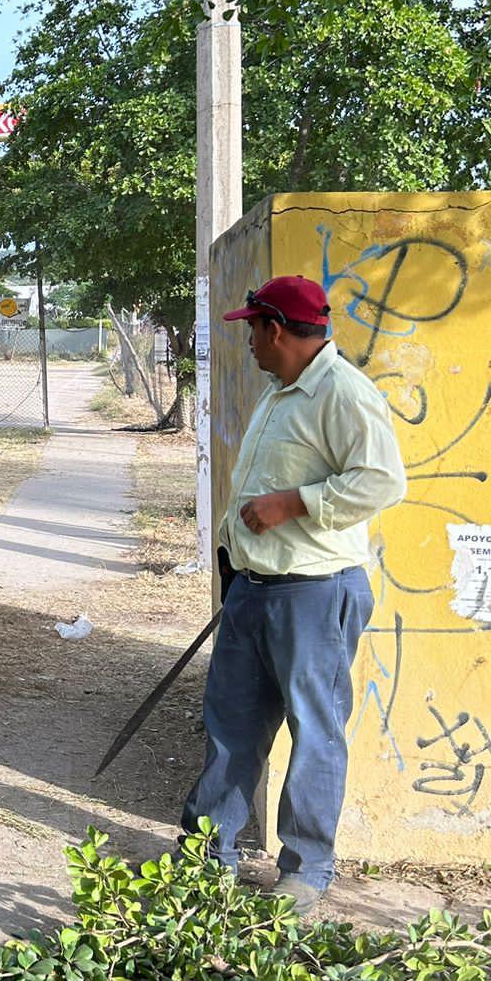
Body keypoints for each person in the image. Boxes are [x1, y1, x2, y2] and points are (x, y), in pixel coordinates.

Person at [181, 275, 405, 915]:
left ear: (274, 329)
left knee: (314, 731)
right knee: (231, 727)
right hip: (254, 591)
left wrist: (295, 504)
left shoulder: (343, 393)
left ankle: (306, 872)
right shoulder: (280, 393)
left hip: (314, 594)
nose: (247, 340)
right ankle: (206, 854)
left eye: (250, 327)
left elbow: (383, 481)